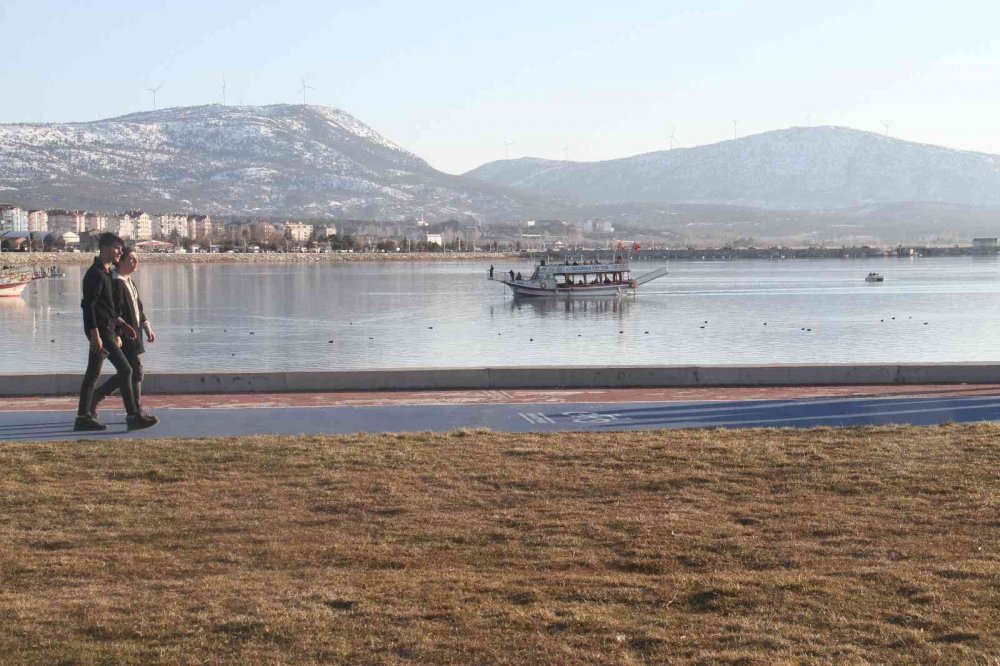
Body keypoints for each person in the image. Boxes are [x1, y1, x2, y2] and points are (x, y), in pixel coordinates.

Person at [75, 233, 157, 432]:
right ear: (104, 249)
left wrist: (121, 324)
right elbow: (89, 307)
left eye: (121, 249)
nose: (120, 251)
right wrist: (95, 335)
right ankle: (132, 415)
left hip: (109, 329)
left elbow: (106, 308)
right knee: (127, 370)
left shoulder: (105, 273)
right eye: (116, 248)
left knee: (93, 373)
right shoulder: (95, 274)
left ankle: (83, 417)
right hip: (102, 332)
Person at [92, 247, 158, 424]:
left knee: (130, 371)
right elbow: (112, 312)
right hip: (123, 335)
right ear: (120, 262)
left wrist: (146, 327)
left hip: (135, 333)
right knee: (134, 370)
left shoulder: (129, 282)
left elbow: (138, 309)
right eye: (131, 259)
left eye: (136, 259)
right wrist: (117, 334)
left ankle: (102, 397)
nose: (135, 262)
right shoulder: (115, 283)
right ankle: (134, 411)